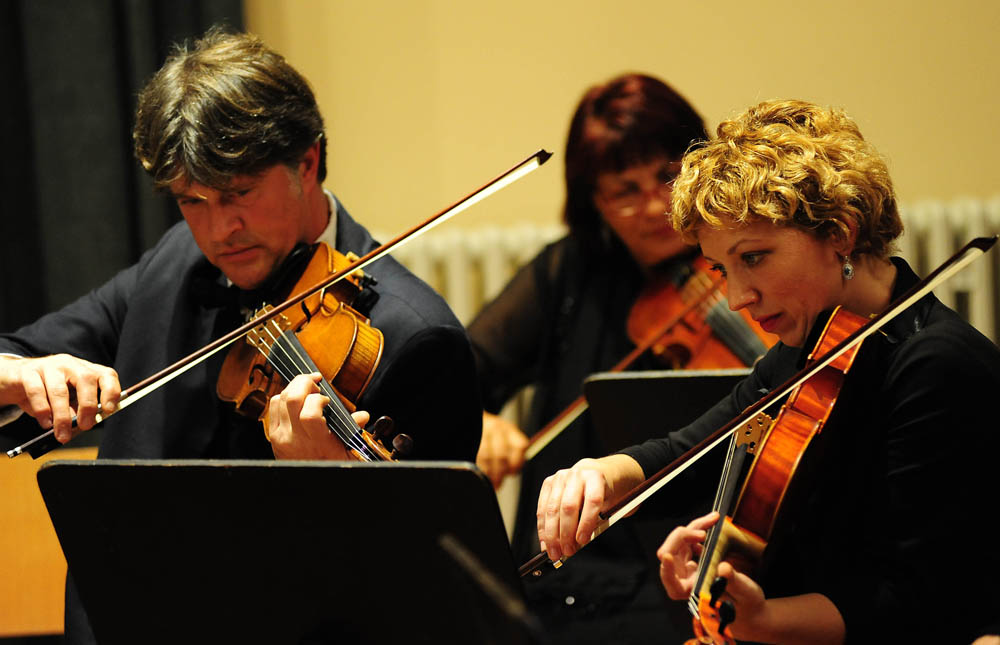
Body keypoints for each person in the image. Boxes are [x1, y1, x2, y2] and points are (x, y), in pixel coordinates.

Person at [0, 29, 482, 642]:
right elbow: (17, 353)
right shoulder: (175, 264)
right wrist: (17, 374)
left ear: (307, 163)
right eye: (191, 201)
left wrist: (328, 490)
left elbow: (427, 593)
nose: (217, 230)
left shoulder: (414, 339)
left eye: (239, 194)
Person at [535, 99, 1000, 643]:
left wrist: (763, 620)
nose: (736, 298)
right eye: (721, 269)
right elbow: (690, 452)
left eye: (752, 257)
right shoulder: (815, 344)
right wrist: (600, 474)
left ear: (840, 233)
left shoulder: (934, 366)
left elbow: (916, 602)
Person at [467, 74, 771, 643]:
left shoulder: (741, 264)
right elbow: (461, 371)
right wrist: (478, 420)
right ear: (594, 200)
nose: (656, 206)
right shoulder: (567, 273)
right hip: (572, 554)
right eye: (625, 191)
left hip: (694, 555)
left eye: (668, 176)